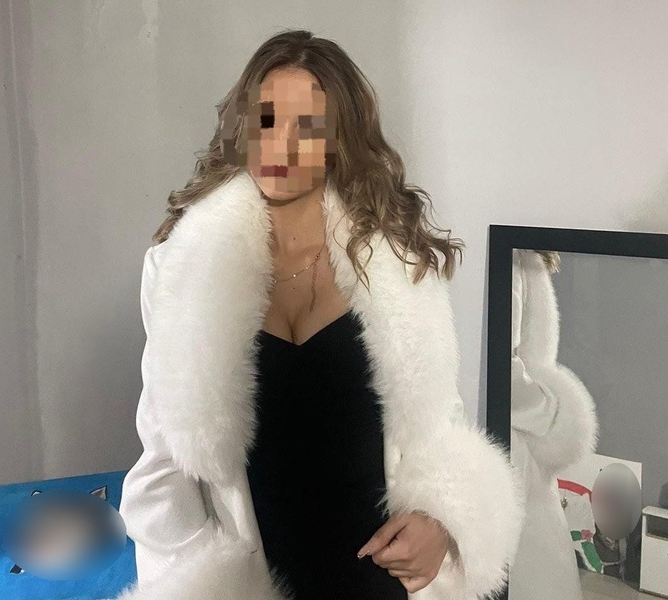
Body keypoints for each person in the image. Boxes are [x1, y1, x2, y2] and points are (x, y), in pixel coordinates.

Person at [116, 29, 524, 600]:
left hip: (383, 586)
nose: (280, 146)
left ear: (338, 140)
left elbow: (438, 427)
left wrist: (442, 522)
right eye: (266, 120)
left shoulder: (399, 264)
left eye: (306, 126)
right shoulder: (179, 272)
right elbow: (164, 467)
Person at [509, 249, 599, 600]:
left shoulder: (525, 255)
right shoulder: (515, 258)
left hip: (524, 448)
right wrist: (552, 412)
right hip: (517, 445)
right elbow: (503, 364)